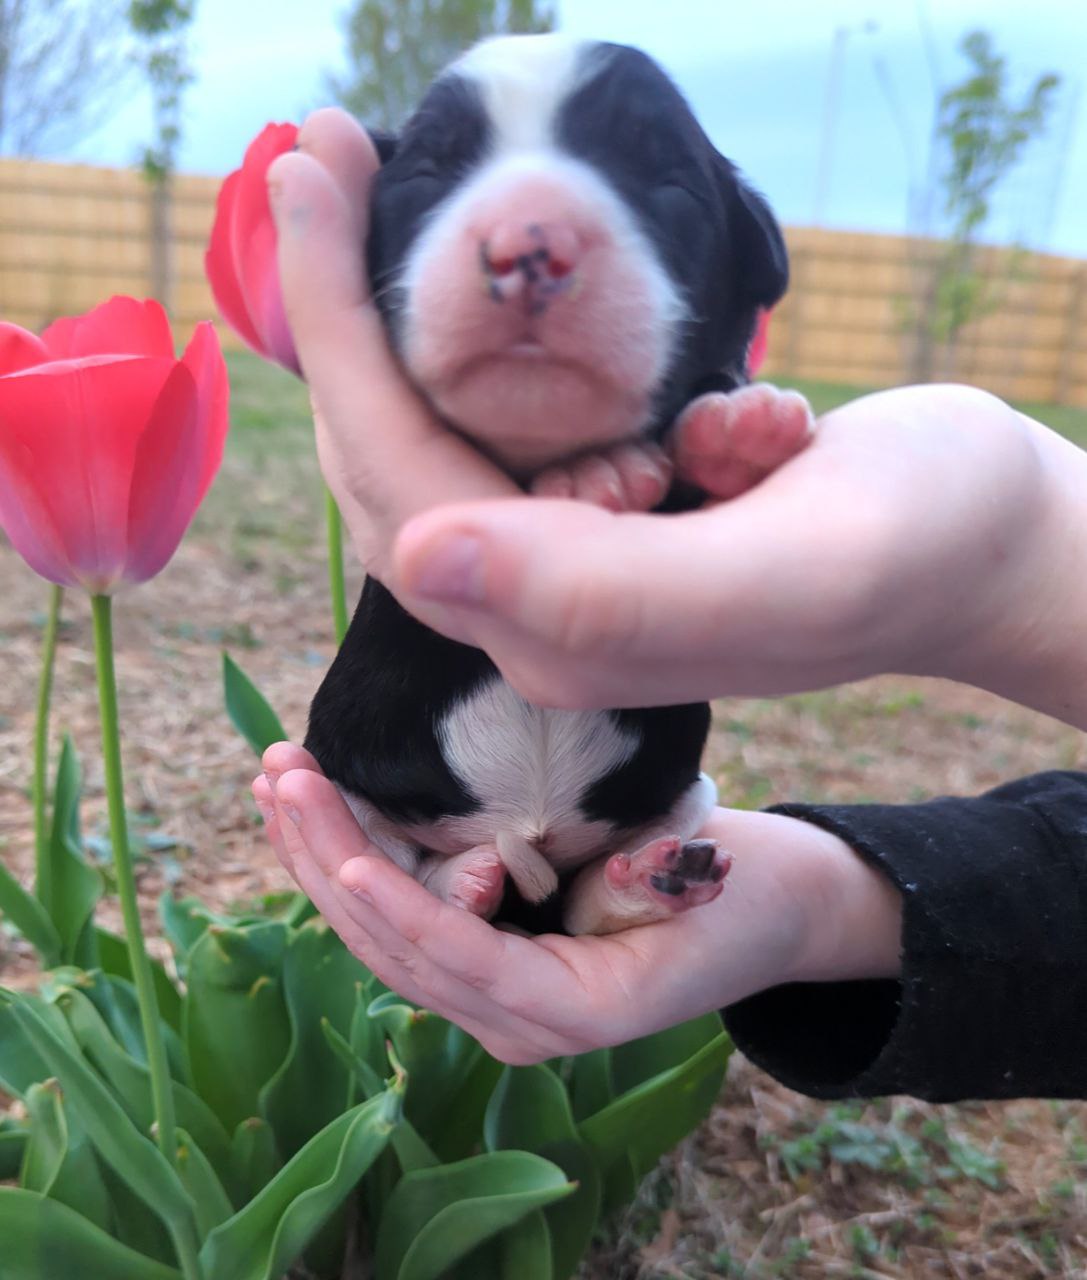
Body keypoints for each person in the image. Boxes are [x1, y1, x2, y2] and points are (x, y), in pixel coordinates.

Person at [251, 108, 1087, 1102]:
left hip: (629, 796)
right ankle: (463, 871)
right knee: (361, 825)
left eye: (653, 194)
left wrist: (1023, 539)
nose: (538, 251)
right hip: (400, 784)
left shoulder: (682, 423)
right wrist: (817, 897)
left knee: (666, 829)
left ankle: (610, 885)